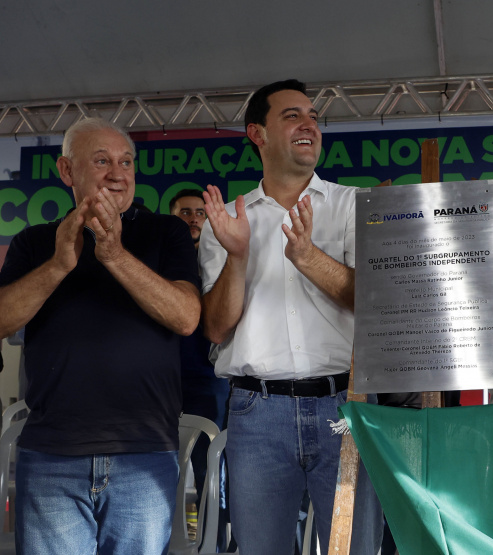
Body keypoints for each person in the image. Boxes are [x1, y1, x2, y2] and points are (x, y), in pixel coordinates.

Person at [198, 79, 382, 555]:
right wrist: (237, 256)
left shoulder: (353, 205)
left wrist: (307, 257)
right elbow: (216, 328)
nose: (309, 125)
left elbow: (376, 302)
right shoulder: (229, 221)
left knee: (354, 549)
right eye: (293, 116)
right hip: (257, 415)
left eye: (314, 117)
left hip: (344, 404)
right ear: (257, 134)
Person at [0, 118, 200, 555]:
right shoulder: (35, 242)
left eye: (126, 162)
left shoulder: (165, 232)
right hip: (51, 455)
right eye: (102, 161)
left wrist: (114, 255)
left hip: (144, 454)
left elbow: (186, 317)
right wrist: (57, 265)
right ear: (67, 172)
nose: (117, 172)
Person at [168, 187, 232, 548]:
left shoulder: (221, 261)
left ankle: (215, 545)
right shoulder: (161, 263)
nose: (193, 219)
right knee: (164, 468)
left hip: (211, 381)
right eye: (184, 213)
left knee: (213, 469)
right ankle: (169, 543)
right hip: (165, 381)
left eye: (199, 213)